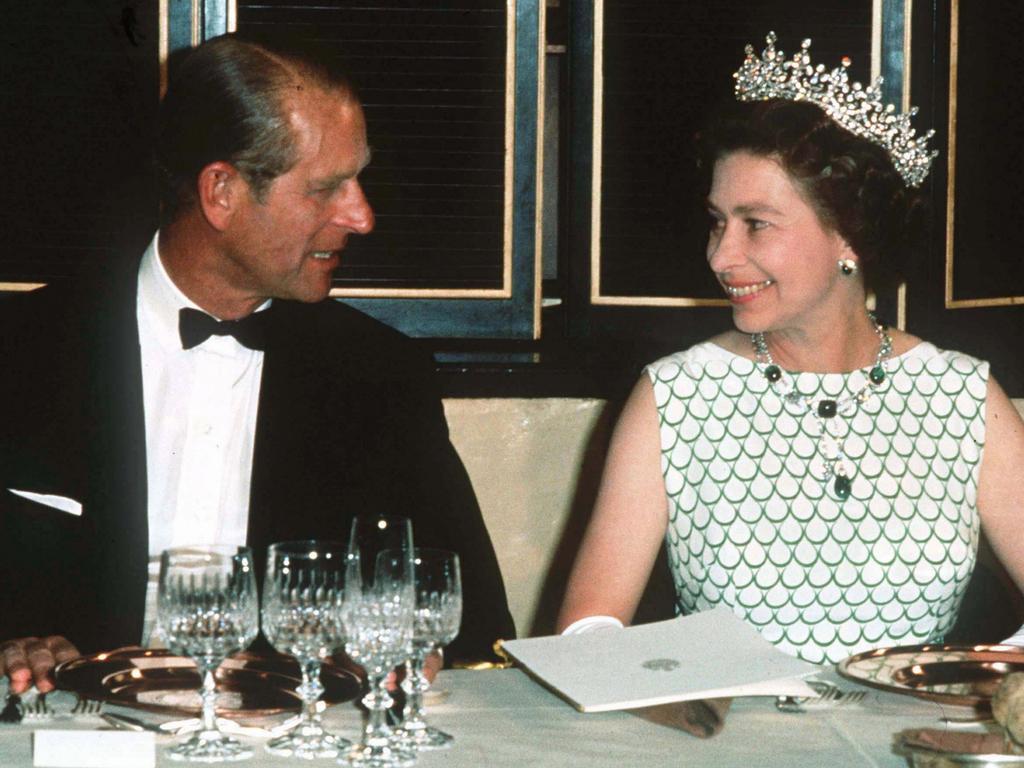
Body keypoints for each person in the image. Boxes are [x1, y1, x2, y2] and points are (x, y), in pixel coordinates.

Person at [0, 33, 515, 694]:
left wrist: (409, 660)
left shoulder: (382, 378)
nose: (362, 215)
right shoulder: (21, 350)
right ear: (221, 192)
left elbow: (476, 630)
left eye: (358, 179)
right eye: (327, 188)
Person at [558, 32, 1024, 667]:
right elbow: (585, 636)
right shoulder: (674, 396)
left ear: (850, 239)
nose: (721, 256)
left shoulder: (964, 396)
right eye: (718, 221)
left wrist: (971, 685)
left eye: (756, 223)